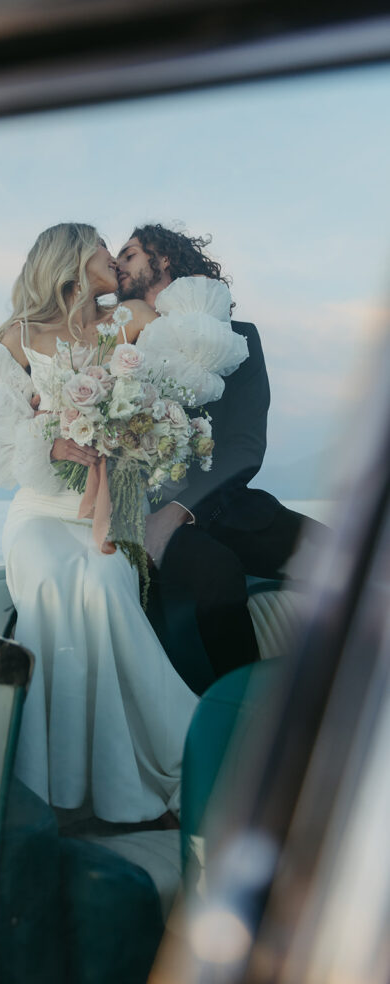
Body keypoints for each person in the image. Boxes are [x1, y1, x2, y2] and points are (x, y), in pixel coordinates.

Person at [0, 222, 199, 826]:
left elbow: (177, 389)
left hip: (109, 504)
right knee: (52, 588)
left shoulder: (131, 320)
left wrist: (137, 427)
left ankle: (144, 772)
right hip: (41, 510)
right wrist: (51, 441)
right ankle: (53, 791)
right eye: (100, 246)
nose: (112, 257)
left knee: (107, 584)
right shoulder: (18, 336)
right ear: (71, 258)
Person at [117, 224, 325, 691]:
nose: (118, 266)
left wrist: (180, 511)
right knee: (216, 573)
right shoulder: (121, 345)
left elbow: (247, 446)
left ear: (163, 258)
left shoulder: (240, 337)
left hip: (229, 505)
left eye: (128, 255)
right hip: (145, 520)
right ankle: (244, 720)